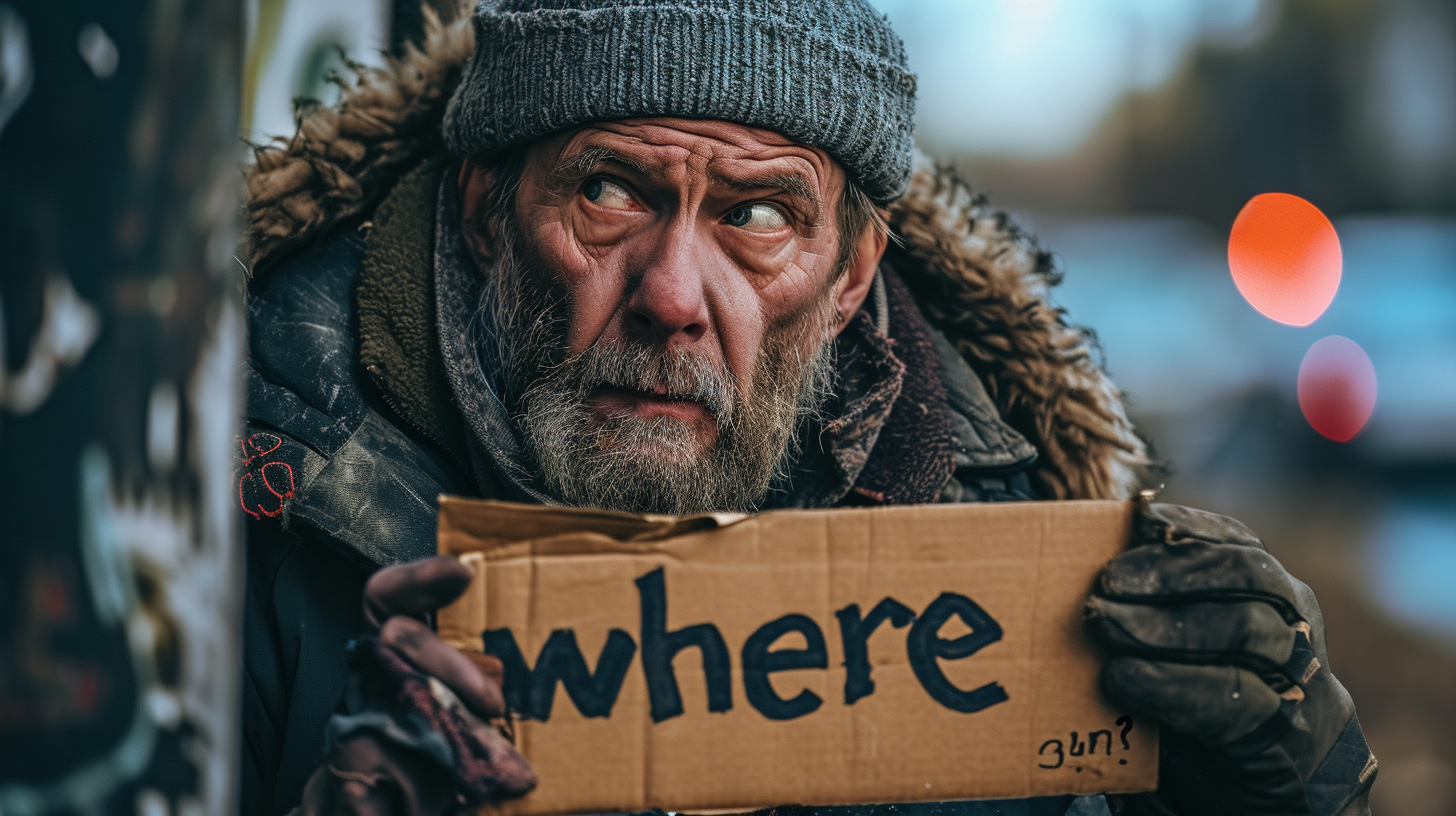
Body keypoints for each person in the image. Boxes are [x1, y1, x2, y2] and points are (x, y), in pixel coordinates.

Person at [240, 2, 1377, 814]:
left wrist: (1284, 785)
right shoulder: (230, 479)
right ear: (488, 212)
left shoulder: (1018, 559)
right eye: (608, 190)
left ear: (848, 280)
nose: (673, 298)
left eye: (759, 217)